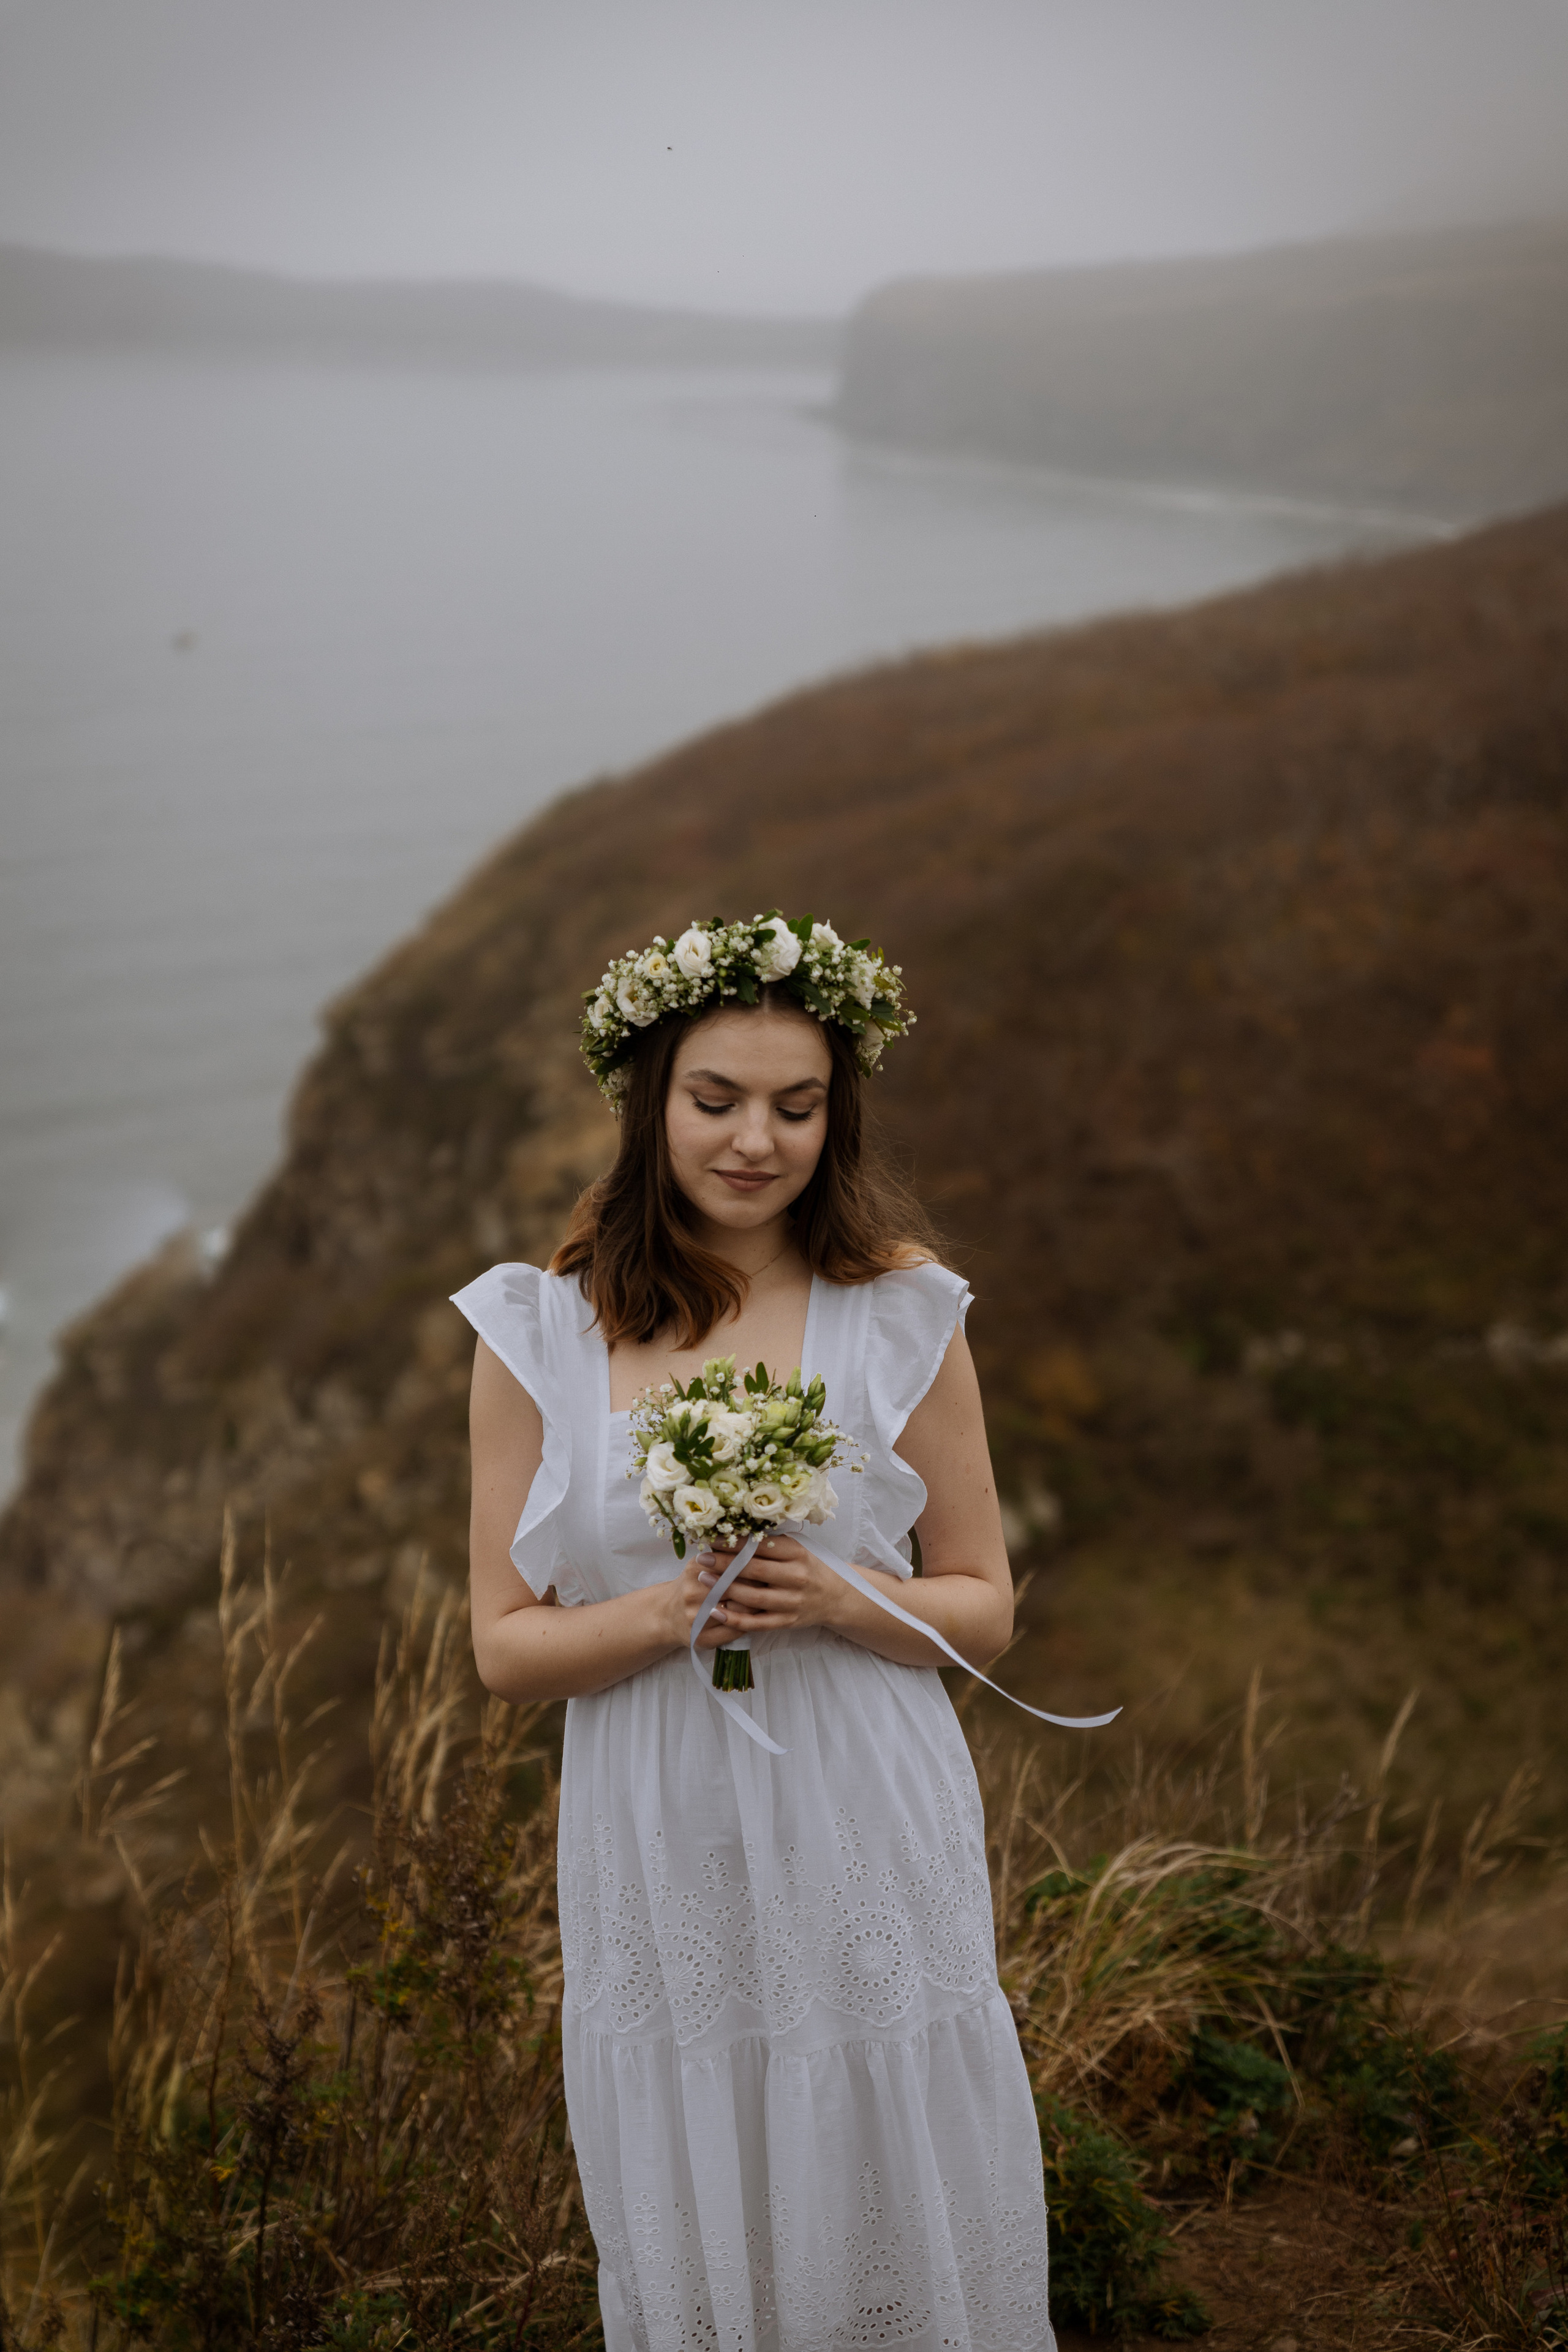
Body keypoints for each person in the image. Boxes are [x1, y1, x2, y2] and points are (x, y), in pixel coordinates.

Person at [456, 913, 1063, 2352]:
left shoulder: (898, 1312)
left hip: (861, 1795)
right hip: (655, 1822)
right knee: (702, 2117)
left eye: (796, 1107)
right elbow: (502, 1646)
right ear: (647, 1102)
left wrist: (847, 1599)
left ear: (834, 1116)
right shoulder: (541, 1332)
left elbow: (983, 1603)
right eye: (714, 1100)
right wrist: (671, 1614)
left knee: (875, 2112)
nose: (754, 1141)